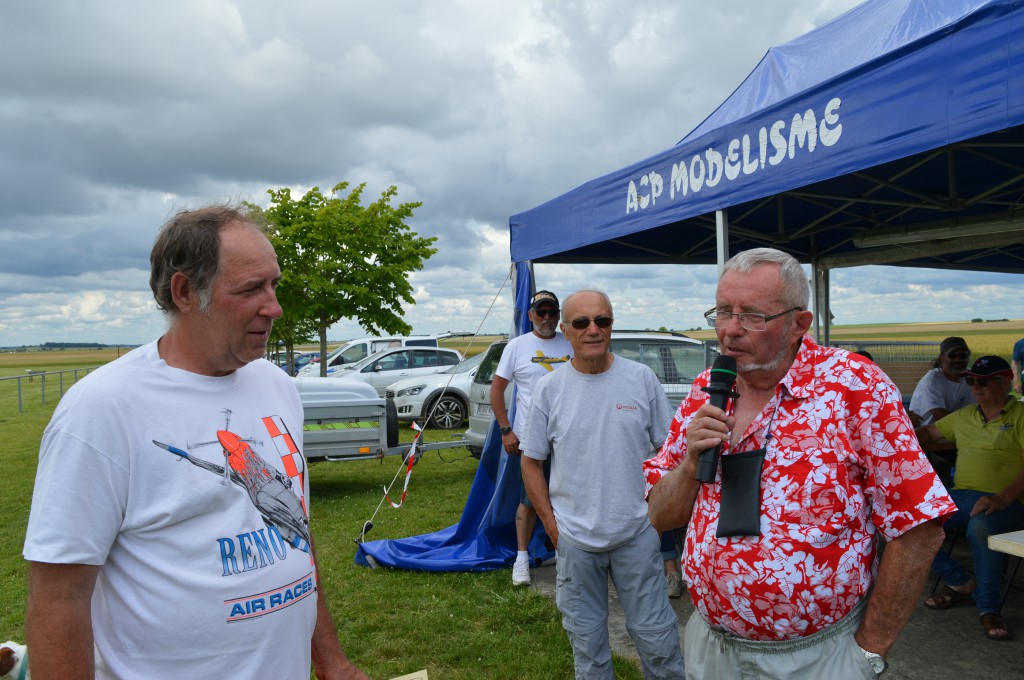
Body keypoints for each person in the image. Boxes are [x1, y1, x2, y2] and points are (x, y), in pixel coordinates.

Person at [23, 206, 367, 679]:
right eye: (250, 289)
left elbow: (296, 540)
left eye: (274, 285)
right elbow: (59, 596)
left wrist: (330, 658)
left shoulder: (276, 386)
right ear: (185, 292)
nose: (274, 307)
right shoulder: (101, 409)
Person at [644, 248, 955, 679]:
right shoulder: (706, 390)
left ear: (798, 324)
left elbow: (919, 527)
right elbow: (660, 517)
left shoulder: (854, 388)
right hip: (711, 646)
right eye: (723, 312)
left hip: (816, 658)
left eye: (753, 316)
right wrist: (688, 464)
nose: (730, 330)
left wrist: (869, 652)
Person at [521, 289, 686, 680]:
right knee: (589, 651)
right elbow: (530, 462)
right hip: (575, 540)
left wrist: (657, 519)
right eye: (581, 322)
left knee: (659, 644)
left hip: (637, 533)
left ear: (612, 326)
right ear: (565, 330)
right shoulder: (550, 389)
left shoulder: (641, 379)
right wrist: (552, 527)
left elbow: (669, 453)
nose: (593, 329)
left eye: (602, 321)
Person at [915, 355, 1024, 642]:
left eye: (983, 382)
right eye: (972, 381)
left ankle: (989, 608)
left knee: (980, 526)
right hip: (962, 497)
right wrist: (897, 439)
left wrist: (1002, 499)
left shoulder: (1021, 416)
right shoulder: (965, 415)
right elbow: (928, 433)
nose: (975, 387)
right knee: (907, 521)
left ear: (1005, 382)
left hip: (1010, 502)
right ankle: (960, 581)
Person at [490, 289, 572, 586]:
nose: (547, 318)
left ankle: (567, 555)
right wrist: (506, 430)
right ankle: (522, 558)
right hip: (530, 439)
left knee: (569, 497)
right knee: (529, 499)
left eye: (552, 312)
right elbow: (497, 390)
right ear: (530, 315)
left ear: (559, 315)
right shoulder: (517, 346)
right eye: (541, 312)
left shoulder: (570, 341)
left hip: (569, 438)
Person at [909, 336, 976, 426]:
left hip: (955, 428)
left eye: (963, 356)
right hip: (926, 430)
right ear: (942, 358)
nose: (958, 359)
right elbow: (939, 414)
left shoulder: (971, 378)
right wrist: (971, 424)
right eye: (952, 356)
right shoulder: (932, 380)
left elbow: (978, 408)